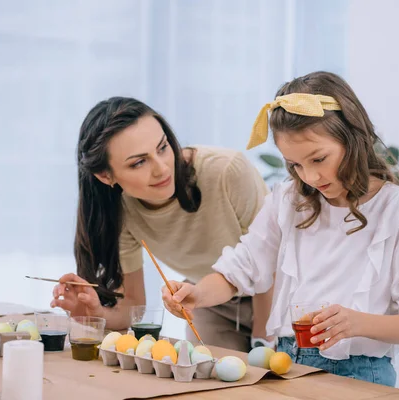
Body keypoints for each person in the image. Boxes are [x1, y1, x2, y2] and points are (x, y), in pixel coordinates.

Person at [161, 71, 399, 386]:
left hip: (362, 375)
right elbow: (242, 267)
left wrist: (356, 323)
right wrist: (196, 295)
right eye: (295, 165)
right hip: (286, 365)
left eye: (319, 159)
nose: (310, 177)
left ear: (353, 137)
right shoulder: (288, 200)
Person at [50, 97, 276, 351]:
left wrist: (262, 337)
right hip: (209, 301)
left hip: (275, 297)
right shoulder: (121, 212)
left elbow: (271, 258)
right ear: (105, 176)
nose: (162, 169)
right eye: (139, 162)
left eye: (162, 147)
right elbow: (131, 306)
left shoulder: (227, 171)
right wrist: (96, 313)